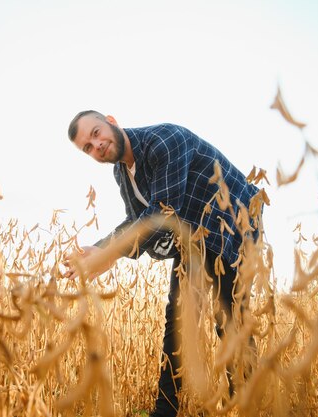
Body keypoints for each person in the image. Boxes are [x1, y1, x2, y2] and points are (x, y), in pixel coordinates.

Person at [63, 110, 260, 417]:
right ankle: (164, 411)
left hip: (233, 224)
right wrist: (100, 249)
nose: (96, 145)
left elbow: (162, 214)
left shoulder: (163, 141)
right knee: (178, 322)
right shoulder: (122, 173)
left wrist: (108, 254)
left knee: (230, 319)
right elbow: (136, 220)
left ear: (111, 122)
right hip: (193, 237)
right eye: (87, 147)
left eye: (96, 133)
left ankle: (248, 406)